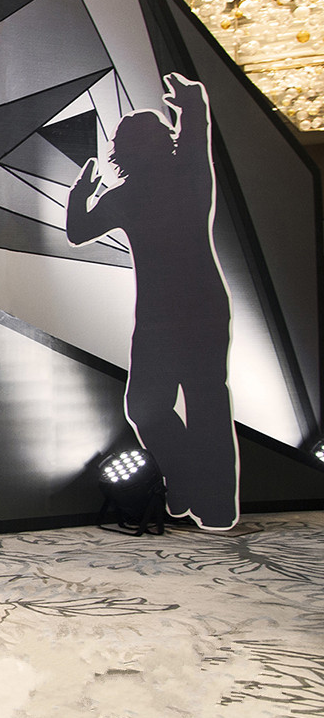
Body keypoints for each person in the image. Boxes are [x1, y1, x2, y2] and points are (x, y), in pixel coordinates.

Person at [65, 72, 239, 530]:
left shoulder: (136, 193)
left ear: (120, 153)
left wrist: (81, 193)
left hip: (167, 313)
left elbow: (78, 230)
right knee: (200, 401)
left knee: (162, 404)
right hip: (196, 308)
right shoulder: (188, 178)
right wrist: (192, 105)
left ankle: (196, 492)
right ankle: (207, 498)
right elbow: (196, 138)